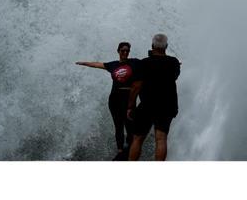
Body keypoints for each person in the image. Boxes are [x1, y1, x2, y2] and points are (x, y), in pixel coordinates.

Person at [75, 41, 136, 159]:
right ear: (118, 51)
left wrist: (168, 63)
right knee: (118, 126)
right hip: (115, 100)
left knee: (130, 126)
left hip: (128, 99)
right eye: (122, 50)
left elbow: (149, 64)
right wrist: (84, 63)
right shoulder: (113, 65)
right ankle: (120, 151)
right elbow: (97, 65)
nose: (125, 52)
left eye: (127, 50)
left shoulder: (134, 63)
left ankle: (129, 150)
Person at [126, 33, 181, 161]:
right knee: (161, 139)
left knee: (138, 138)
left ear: (152, 46)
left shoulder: (143, 63)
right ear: (166, 46)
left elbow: (136, 86)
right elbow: (175, 76)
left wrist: (130, 106)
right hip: (167, 105)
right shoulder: (173, 62)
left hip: (147, 105)